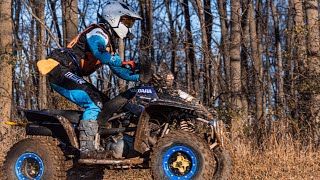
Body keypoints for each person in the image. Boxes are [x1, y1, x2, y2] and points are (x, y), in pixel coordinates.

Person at [37, 1, 148, 158]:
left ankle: (103, 144)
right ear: (113, 18)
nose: (129, 26)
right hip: (58, 68)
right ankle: (87, 149)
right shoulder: (97, 31)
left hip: (68, 71)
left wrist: (141, 77)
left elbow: (119, 71)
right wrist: (121, 61)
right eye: (127, 21)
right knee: (94, 101)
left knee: (108, 107)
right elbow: (99, 53)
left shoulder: (109, 43)